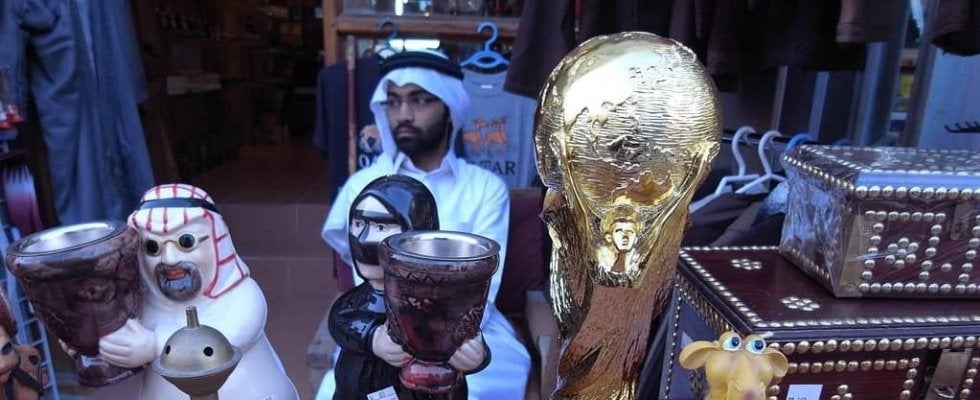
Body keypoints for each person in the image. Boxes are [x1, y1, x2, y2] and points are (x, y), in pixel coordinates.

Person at [320, 50, 530, 399]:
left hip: (466, 332)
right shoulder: (364, 186)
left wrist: (455, 347)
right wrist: (380, 337)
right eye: (393, 102)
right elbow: (367, 282)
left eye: (419, 100)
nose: (403, 114)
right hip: (381, 329)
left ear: (449, 106)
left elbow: (484, 291)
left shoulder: (484, 188)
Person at [98, 183, 299, 400]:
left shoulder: (241, 295)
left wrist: (155, 345)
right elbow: (123, 340)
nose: (170, 260)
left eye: (186, 242)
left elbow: (221, 342)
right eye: (153, 248)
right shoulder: (143, 303)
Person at [330, 175, 488, 399]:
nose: (363, 239)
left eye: (381, 226)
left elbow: (463, 327)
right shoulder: (358, 303)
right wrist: (372, 337)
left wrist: (474, 355)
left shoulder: (441, 302)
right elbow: (341, 322)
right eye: (358, 224)